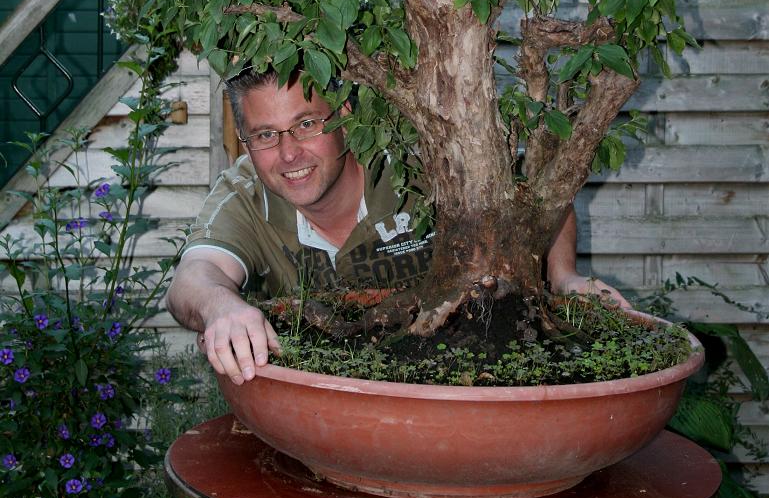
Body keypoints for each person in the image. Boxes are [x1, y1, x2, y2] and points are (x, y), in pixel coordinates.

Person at [167, 67, 629, 385]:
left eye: (306, 124)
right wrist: (219, 307)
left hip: (474, 379)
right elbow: (193, 279)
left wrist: (564, 276)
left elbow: (533, 199)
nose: (288, 154)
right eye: (266, 135)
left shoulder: (416, 162)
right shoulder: (244, 195)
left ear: (344, 115)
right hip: (327, 403)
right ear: (246, 141)